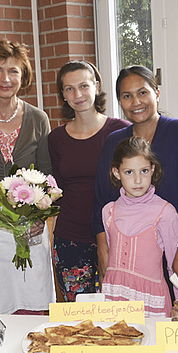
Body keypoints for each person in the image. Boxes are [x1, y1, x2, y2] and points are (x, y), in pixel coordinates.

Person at [92, 65, 178, 301]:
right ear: (119, 101)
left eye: (143, 92)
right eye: (127, 96)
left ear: (156, 93)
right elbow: (102, 199)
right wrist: (103, 249)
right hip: (132, 260)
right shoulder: (115, 142)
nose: (136, 101)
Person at [0, 39, 55, 314]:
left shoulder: (38, 118)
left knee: (33, 298)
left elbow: (47, 176)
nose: (5, 78)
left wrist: (40, 219)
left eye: (13, 71)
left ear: (23, 76)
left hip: (29, 225)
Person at [48, 60, 130, 301]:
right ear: (63, 95)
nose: (78, 94)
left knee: (120, 312)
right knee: (79, 316)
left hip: (118, 237)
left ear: (96, 86)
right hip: (71, 239)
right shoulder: (56, 138)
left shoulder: (121, 131)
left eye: (83, 86)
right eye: (69, 89)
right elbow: (57, 190)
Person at [102, 137, 178, 316]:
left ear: (152, 170)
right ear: (116, 173)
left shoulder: (165, 212)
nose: (137, 180)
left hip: (151, 302)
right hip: (113, 299)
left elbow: (177, 268)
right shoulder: (108, 211)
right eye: (129, 172)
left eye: (143, 171)